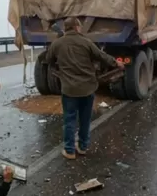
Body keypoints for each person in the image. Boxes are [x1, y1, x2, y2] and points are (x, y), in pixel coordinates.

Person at [46, 17, 124, 160]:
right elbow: (102, 56)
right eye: (80, 27)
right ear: (76, 27)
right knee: (85, 119)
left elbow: (48, 60)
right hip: (87, 89)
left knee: (69, 120)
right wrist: (116, 63)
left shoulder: (57, 44)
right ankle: (82, 147)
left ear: (66, 28)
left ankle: (69, 150)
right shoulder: (86, 42)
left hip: (69, 90)